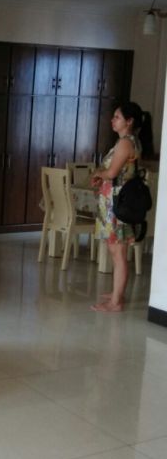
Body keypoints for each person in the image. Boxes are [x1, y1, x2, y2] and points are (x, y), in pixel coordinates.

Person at [90, 102, 143, 312]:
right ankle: (116, 293)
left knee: (118, 252)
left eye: (117, 117)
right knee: (116, 251)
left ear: (129, 121)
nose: (112, 120)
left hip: (117, 204)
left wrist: (98, 174)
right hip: (113, 201)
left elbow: (112, 173)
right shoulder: (126, 141)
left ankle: (116, 302)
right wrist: (102, 176)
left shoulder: (125, 143)